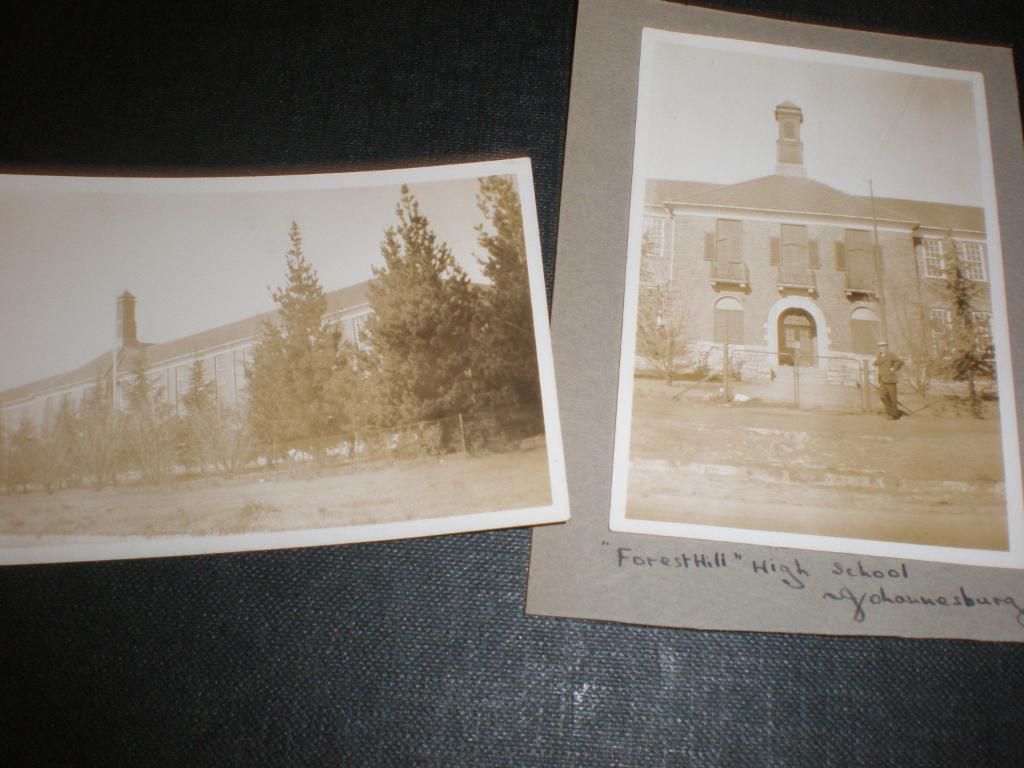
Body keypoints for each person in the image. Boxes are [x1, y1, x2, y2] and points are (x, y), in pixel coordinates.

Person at [873, 341, 904, 420]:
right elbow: (878, 363)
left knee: (892, 398)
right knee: (882, 396)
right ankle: (890, 412)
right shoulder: (880, 355)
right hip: (882, 379)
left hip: (890, 379)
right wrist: (875, 363)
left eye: (883, 347)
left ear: (886, 347)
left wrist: (893, 368)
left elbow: (900, 361)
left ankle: (894, 415)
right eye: (880, 347)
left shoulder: (890, 355)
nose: (881, 348)